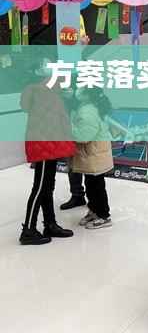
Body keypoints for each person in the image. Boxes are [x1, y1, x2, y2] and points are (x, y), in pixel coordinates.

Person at [20, 57, 76, 245]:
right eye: (45, 64)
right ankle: (28, 230)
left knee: (47, 186)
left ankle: (50, 224)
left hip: (50, 143)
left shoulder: (47, 88)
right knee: (40, 187)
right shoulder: (37, 89)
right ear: (37, 72)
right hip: (43, 143)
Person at [71, 87, 114, 229]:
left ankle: (104, 216)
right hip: (94, 154)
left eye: (81, 90)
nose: (77, 92)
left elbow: (83, 136)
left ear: (88, 95)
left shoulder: (88, 111)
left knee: (96, 187)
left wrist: (69, 128)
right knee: (92, 185)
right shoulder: (93, 107)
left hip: (93, 154)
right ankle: (94, 210)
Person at [59, 84, 86, 210]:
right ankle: (78, 195)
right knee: (72, 165)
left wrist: (73, 98)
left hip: (79, 133)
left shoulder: (79, 93)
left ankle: (88, 198)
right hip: (67, 133)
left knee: (84, 165)